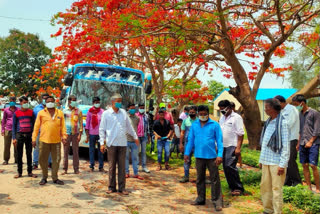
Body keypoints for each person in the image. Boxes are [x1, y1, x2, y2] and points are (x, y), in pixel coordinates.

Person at [184, 105, 223, 211]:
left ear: (208, 113)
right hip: (199, 156)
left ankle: (217, 201)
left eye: (204, 114)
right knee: (199, 179)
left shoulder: (214, 125)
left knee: (214, 179)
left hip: (212, 157)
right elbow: (190, 140)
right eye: (200, 114)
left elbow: (219, 141)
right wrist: (187, 153)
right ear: (197, 114)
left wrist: (220, 154)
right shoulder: (194, 125)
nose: (202, 116)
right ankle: (200, 198)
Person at [99, 93, 139, 195]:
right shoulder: (106, 114)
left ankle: (122, 188)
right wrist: (101, 143)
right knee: (112, 166)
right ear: (113, 102)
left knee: (122, 166)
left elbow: (129, 126)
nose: (120, 103)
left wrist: (135, 137)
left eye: (121, 101)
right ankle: (111, 187)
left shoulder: (123, 113)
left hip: (122, 143)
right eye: (118, 101)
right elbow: (102, 129)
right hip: (111, 143)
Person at [259, 98, 289, 214]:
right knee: (265, 187)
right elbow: (265, 144)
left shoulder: (283, 123)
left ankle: (277, 212)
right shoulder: (268, 122)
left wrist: (282, 164)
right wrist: (261, 160)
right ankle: (268, 210)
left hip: (277, 163)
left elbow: (286, 145)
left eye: (267, 107)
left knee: (276, 189)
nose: (265, 109)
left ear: (273, 108)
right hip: (266, 160)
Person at [32, 96, 67, 185]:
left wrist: (64, 136)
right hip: (44, 140)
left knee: (56, 160)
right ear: (45, 103)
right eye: (48, 101)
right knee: (42, 159)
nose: (50, 102)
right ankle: (44, 177)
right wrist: (33, 138)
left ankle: (55, 178)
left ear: (54, 102)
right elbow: (36, 127)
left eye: (52, 101)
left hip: (56, 141)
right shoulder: (41, 113)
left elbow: (63, 126)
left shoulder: (60, 113)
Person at [292, 94, 320, 193]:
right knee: (304, 165)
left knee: (313, 165)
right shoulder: (300, 114)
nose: (296, 106)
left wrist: (311, 141)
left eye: (296, 104)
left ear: (302, 103)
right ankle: (308, 187)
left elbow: (317, 130)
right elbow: (300, 130)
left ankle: (318, 188)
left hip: (313, 143)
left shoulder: (314, 113)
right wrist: (298, 143)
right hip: (303, 142)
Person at [218, 100, 245, 196]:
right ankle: (232, 187)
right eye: (220, 109)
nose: (221, 111)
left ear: (228, 108)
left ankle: (238, 187)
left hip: (232, 145)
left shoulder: (236, 118)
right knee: (225, 167)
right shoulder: (222, 118)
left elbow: (240, 134)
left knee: (230, 166)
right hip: (223, 145)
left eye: (223, 109)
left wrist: (238, 148)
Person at [274, 95, 301, 186]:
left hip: (291, 138)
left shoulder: (291, 109)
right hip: (284, 138)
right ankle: (288, 181)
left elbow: (289, 124)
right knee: (285, 160)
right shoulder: (280, 111)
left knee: (290, 160)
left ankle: (297, 181)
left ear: (281, 102)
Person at [12, 96, 37, 178]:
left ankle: (30, 172)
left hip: (29, 135)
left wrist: (34, 137)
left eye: (27, 102)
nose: (26, 104)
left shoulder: (31, 112)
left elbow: (34, 125)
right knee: (19, 154)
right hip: (20, 135)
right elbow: (14, 126)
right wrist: (14, 138)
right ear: (20, 103)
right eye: (24, 103)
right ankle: (19, 172)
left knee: (29, 154)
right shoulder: (16, 113)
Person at [62, 95, 83, 175]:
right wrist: (62, 136)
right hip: (66, 134)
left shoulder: (79, 111)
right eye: (73, 100)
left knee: (75, 152)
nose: (74, 102)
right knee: (65, 152)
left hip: (75, 134)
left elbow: (80, 123)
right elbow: (62, 124)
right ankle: (65, 169)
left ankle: (76, 169)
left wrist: (80, 134)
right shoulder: (64, 111)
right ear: (69, 101)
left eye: (75, 100)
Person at [32, 93, 51, 169]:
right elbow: (33, 120)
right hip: (39, 131)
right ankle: (35, 163)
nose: (45, 100)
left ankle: (50, 162)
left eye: (47, 98)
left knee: (49, 147)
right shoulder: (36, 109)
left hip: (48, 131)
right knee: (36, 147)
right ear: (41, 99)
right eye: (44, 98)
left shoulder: (52, 108)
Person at [179, 106, 198, 183]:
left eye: (193, 112)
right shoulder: (185, 121)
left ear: (196, 112)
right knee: (186, 160)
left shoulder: (199, 121)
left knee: (198, 160)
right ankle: (186, 176)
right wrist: (181, 143)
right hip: (187, 143)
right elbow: (182, 132)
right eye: (190, 112)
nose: (191, 113)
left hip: (197, 143)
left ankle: (199, 177)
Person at [86, 97, 104, 172]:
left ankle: (101, 166)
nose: (97, 103)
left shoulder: (102, 111)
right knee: (91, 150)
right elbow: (87, 122)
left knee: (101, 150)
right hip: (92, 133)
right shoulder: (90, 111)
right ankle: (91, 165)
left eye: (98, 102)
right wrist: (87, 134)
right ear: (93, 103)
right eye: (96, 102)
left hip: (100, 134)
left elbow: (104, 123)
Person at [125, 103, 143, 180]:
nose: (132, 110)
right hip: (126, 139)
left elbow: (136, 127)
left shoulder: (137, 118)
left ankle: (136, 173)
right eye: (131, 108)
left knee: (135, 158)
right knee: (125, 157)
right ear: (128, 109)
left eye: (133, 108)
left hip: (135, 140)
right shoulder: (125, 117)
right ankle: (126, 172)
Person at [1, 96, 18, 165]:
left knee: (17, 145)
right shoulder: (6, 110)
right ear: (9, 101)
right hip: (8, 129)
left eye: (13, 100)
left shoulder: (18, 110)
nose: (12, 102)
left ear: (15, 101)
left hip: (16, 130)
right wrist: (2, 130)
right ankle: (6, 160)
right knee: (7, 145)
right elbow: (3, 120)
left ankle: (17, 160)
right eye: (11, 100)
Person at [136, 103, 150, 173]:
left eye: (143, 108)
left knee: (143, 152)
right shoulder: (136, 116)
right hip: (137, 136)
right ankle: (137, 166)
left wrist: (148, 136)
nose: (142, 109)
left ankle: (144, 166)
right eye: (141, 107)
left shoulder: (146, 116)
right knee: (137, 151)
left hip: (144, 136)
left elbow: (147, 127)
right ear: (138, 108)